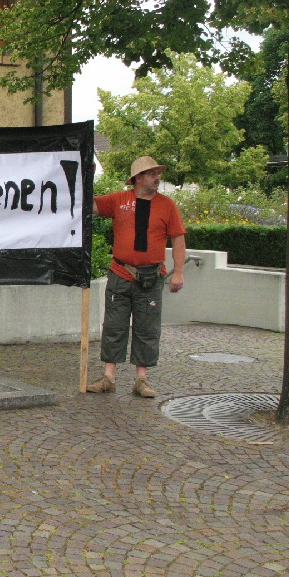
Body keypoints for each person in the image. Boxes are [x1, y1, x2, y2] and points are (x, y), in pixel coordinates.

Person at [87, 156, 186, 398]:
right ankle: (109, 376)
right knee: (114, 326)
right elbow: (90, 207)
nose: (157, 177)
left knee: (147, 328)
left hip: (151, 277)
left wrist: (179, 272)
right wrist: (85, 179)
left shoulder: (167, 205)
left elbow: (178, 238)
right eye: (152, 174)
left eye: (157, 173)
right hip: (120, 273)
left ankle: (141, 379)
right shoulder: (119, 200)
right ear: (138, 178)